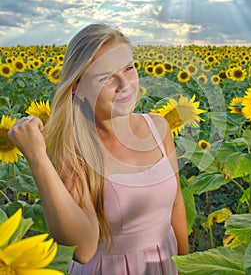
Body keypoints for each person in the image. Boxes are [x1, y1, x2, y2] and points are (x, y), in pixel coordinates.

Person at [8, 23, 189, 274]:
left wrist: (186, 265)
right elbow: (83, 250)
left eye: (129, 68)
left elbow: (176, 204)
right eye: (106, 77)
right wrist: (37, 157)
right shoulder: (74, 151)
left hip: (166, 263)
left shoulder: (159, 127)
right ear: (78, 88)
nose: (124, 83)